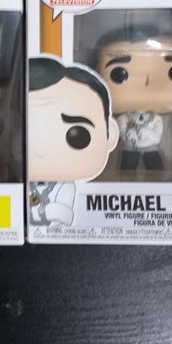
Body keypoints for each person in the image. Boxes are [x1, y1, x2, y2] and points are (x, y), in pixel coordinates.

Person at [28, 56, 118, 226]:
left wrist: (45, 213)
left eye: (77, 136)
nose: (40, 150)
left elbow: (63, 215)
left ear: (110, 135)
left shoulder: (65, 187)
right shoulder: (21, 185)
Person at [97, 24, 172, 171]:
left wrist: (144, 133)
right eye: (119, 74)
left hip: (150, 146)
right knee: (127, 167)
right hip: (129, 146)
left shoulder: (155, 119)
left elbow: (157, 136)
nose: (148, 82)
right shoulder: (125, 118)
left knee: (154, 166)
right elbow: (121, 129)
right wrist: (129, 134)